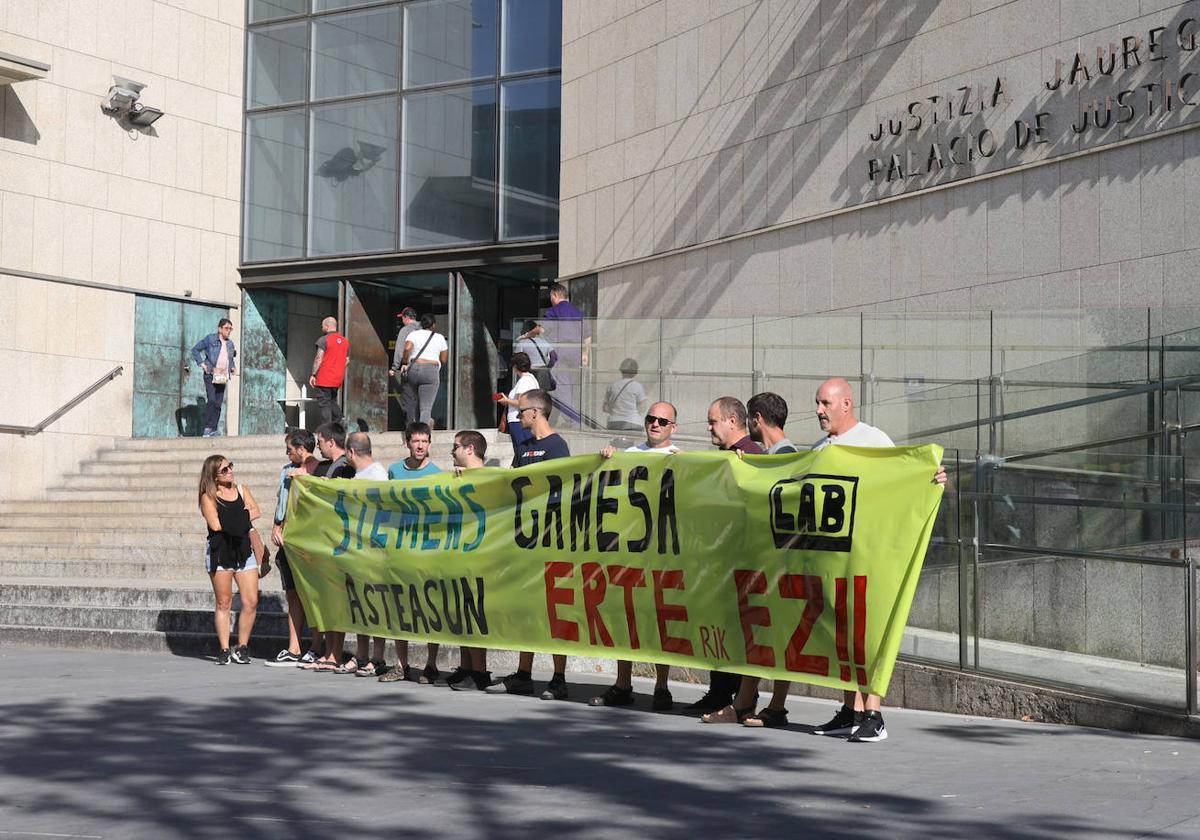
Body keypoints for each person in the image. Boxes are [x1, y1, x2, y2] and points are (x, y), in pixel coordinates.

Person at [805, 377, 946, 744]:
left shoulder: (873, 440)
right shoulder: (820, 448)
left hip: (870, 556)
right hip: (834, 557)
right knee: (842, 635)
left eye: (825, 403)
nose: (819, 410)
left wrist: (930, 479)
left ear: (846, 404)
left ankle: (874, 712)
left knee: (868, 634)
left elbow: (902, 480)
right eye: (817, 403)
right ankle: (850, 710)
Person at [704, 392, 798, 726]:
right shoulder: (766, 454)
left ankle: (770, 706)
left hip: (770, 561)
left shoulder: (775, 455)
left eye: (713, 421)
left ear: (755, 419)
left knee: (768, 632)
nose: (710, 428)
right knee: (755, 633)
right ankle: (744, 702)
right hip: (758, 560)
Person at [588, 401, 681, 711]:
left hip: (663, 552)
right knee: (626, 616)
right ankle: (623, 683)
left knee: (660, 618)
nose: (655, 424)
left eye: (662, 421)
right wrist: (607, 460)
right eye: (651, 419)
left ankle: (662, 686)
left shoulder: (680, 458)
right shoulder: (628, 456)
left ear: (673, 428)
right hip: (630, 549)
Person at [487, 389, 573, 700]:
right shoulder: (524, 446)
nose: (518, 416)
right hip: (524, 537)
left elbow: (562, 488)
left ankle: (559, 677)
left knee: (553, 609)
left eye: (521, 411)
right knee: (526, 607)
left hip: (550, 537)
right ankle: (524, 673)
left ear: (535, 413)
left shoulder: (557, 446)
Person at [687, 396, 764, 715]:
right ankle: (719, 690)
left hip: (742, 558)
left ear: (733, 421)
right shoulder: (724, 457)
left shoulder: (754, 455)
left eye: (713, 421)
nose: (709, 428)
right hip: (719, 557)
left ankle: (735, 695)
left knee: (736, 627)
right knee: (719, 625)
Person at [379, 422, 444, 685]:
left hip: (427, 549)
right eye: (416, 441)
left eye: (424, 441)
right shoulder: (394, 470)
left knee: (430, 606)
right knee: (399, 608)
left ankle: (431, 664)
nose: (420, 446)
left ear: (430, 444)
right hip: (400, 547)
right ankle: (400, 664)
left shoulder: (437, 473)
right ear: (407, 443)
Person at [198, 454, 261, 665]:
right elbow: (216, 525)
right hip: (221, 552)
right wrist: (243, 517)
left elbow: (257, 511)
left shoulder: (242, 489)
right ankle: (224, 648)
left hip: (244, 549)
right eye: (224, 469)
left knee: (251, 601)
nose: (230, 471)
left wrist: (235, 519)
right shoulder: (208, 496)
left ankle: (242, 647)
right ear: (214, 476)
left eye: (230, 466)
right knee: (223, 602)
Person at [265, 429, 320, 667]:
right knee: (292, 594)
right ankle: (294, 647)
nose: (287, 454)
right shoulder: (286, 471)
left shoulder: (320, 468)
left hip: (310, 541)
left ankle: (317, 646)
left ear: (300, 448)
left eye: (289, 449)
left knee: (315, 594)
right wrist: (277, 526)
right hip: (288, 539)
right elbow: (282, 502)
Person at [304, 422, 356, 673]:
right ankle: (329, 652)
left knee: (337, 599)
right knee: (329, 599)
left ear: (331, 442)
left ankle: (335, 652)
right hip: (328, 540)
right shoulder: (332, 466)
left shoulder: (345, 467)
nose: (318, 446)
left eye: (320, 441)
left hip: (340, 542)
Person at [446, 430, 493, 692]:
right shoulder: (458, 477)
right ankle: (467, 667)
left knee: (474, 614)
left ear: (470, 449)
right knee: (462, 613)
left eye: (456, 447)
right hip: (461, 553)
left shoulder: (489, 478)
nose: (453, 451)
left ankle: (480, 672)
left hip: (480, 555)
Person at [345, 431, 389, 678]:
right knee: (360, 602)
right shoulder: (360, 475)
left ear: (351, 452)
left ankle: (378, 656)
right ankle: (361, 654)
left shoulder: (377, 475)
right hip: (358, 548)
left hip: (375, 547)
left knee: (376, 602)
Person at [519, 282, 588, 427]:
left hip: (561, 352)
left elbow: (541, 329)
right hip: (576, 352)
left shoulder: (555, 310)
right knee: (573, 386)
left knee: (562, 387)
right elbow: (587, 335)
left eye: (551, 296)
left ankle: (573, 420)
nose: (551, 299)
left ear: (555, 295)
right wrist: (585, 353)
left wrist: (527, 335)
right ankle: (570, 418)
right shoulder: (578, 312)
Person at [397, 313, 448, 427]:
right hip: (431, 370)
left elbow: (407, 348)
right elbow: (444, 359)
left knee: (414, 402)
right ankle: (421, 433)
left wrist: (405, 362)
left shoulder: (413, 334)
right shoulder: (439, 337)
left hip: (414, 368)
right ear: (433, 325)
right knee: (425, 407)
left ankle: (412, 429)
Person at [190, 318, 236, 437]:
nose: (228, 331)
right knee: (211, 400)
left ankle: (214, 429)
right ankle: (207, 427)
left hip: (222, 376)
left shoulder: (230, 344)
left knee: (218, 403)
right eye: (226, 328)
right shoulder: (210, 339)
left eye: (230, 329)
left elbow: (230, 358)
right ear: (219, 329)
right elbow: (195, 349)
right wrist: (201, 364)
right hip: (210, 374)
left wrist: (232, 367)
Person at [495, 351, 538, 462]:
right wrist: (508, 400)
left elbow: (521, 403)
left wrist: (507, 400)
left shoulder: (524, 381)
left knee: (521, 449)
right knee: (523, 449)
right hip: (521, 420)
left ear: (516, 366)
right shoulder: (531, 379)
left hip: (517, 420)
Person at [309, 317, 349, 426]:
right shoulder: (345, 342)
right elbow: (346, 361)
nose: (322, 328)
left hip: (324, 378)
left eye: (322, 326)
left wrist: (313, 374)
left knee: (324, 404)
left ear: (326, 326)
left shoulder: (324, 339)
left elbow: (319, 358)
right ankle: (340, 420)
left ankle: (327, 429)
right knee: (331, 401)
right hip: (337, 378)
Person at [389, 307, 420, 425]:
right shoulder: (423, 329)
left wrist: (394, 367)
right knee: (422, 399)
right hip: (426, 368)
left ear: (406, 317)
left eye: (402, 318)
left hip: (410, 368)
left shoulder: (405, 330)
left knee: (408, 398)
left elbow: (400, 349)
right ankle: (423, 422)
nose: (402, 320)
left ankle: (411, 426)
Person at [603, 358, 648, 431]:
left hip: (614, 423)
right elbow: (643, 408)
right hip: (633, 422)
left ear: (621, 370)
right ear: (635, 372)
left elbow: (605, 408)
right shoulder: (637, 386)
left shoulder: (612, 386)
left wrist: (617, 412)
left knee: (615, 442)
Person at [514, 319, 556, 392]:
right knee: (542, 396)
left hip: (529, 372)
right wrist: (548, 367)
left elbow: (517, 359)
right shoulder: (544, 342)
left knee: (529, 395)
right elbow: (554, 357)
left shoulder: (522, 343)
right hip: (543, 371)